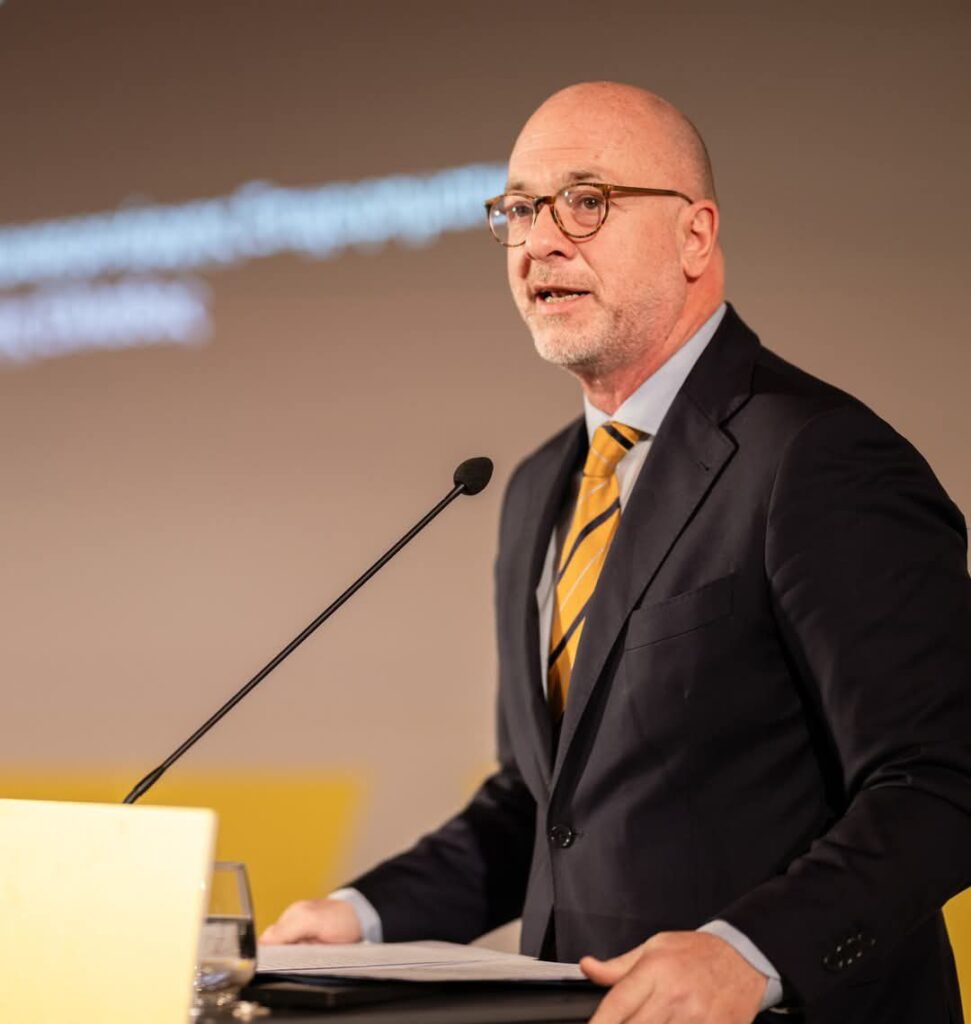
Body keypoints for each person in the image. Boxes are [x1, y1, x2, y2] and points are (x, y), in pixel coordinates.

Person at [262, 83, 971, 1023]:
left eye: (585, 202)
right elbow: (544, 805)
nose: (539, 242)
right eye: (519, 210)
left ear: (694, 236)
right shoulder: (536, 487)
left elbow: (937, 780)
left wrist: (748, 954)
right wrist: (360, 916)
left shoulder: (817, 458)